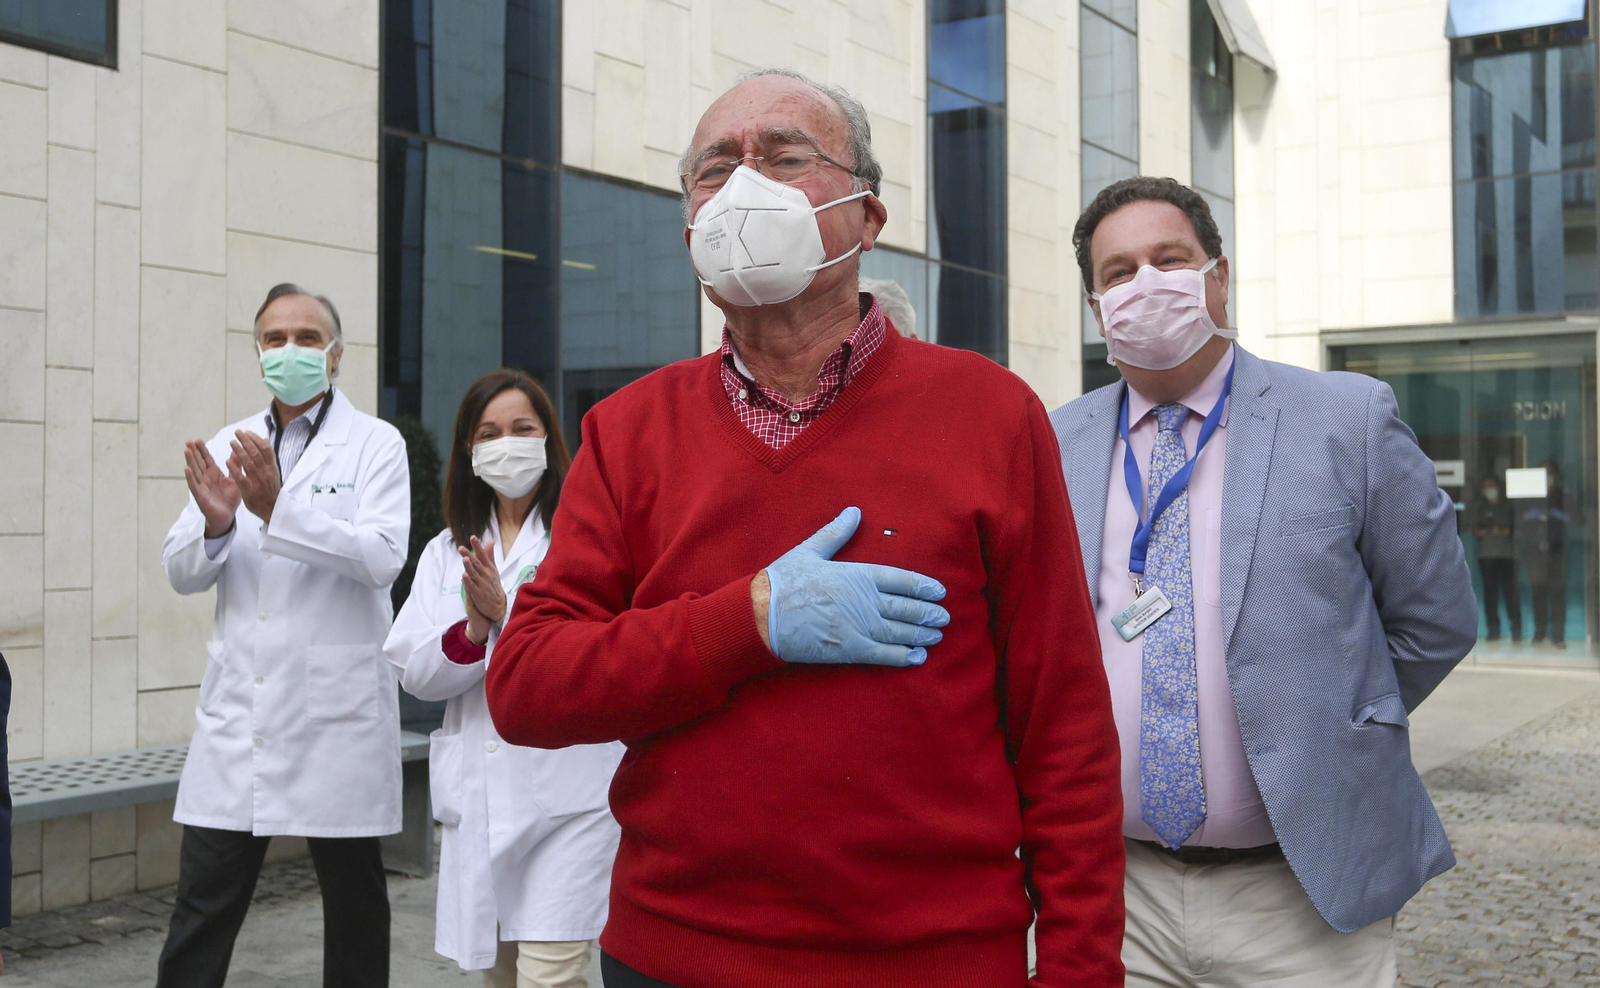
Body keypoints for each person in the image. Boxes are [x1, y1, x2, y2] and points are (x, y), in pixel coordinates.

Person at [485, 69, 1125, 988]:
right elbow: (529, 687)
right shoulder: (627, 431)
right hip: (675, 956)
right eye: (716, 170)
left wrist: (1078, 969)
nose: (746, 186)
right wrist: (745, 623)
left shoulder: (991, 414)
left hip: (935, 961)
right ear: (690, 229)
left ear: (870, 216)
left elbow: (1063, 726)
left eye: (786, 158)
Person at [1051, 176, 1478, 987]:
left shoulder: (1345, 419)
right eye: (1118, 272)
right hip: (1115, 894)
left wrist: (1330, 722)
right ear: (1095, 304)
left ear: (1217, 275)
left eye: (1169, 259)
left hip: (1300, 896)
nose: (1146, 283)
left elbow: (1436, 621)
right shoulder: (1053, 440)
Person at [157, 283, 411, 988]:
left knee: (355, 909)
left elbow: (384, 557)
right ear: (257, 352)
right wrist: (215, 523)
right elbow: (180, 571)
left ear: (335, 355)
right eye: (274, 338)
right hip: (243, 716)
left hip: (336, 720)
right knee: (201, 911)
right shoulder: (227, 443)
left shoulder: (376, 445)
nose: (290, 350)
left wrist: (278, 511)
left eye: (306, 337)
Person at [385, 369, 622, 987]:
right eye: (488, 433)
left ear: (549, 439)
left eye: (522, 428)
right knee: (501, 978)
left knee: (551, 977)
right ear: (469, 450)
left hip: (570, 797)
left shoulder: (587, 537)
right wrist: (472, 628)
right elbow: (414, 670)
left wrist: (505, 617)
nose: (505, 443)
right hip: (482, 797)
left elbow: (600, 649)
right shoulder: (446, 552)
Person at [1520, 460, 1574, 648]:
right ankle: (1540, 633)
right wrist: (1528, 516)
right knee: (1538, 593)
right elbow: (1517, 519)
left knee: (1558, 594)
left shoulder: (1562, 495)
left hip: (1556, 551)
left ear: (1557, 475)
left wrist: (1562, 515)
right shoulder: (1530, 495)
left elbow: (1580, 519)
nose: (1547, 477)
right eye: (1544, 472)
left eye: (1551, 473)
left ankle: (1558, 637)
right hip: (1535, 551)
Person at [1473, 474, 1520, 642]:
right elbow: (1474, 527)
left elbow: (1512, 528)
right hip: (1487, 555)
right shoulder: (1480, 505)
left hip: (1508, 554)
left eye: (1491, 485)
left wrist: (1499, 529)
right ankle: (1493, 630)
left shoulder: (1508, 505)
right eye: (1486, 487)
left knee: (1510, 592)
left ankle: (1517, 628)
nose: (1489, 490)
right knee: (1490, 593)